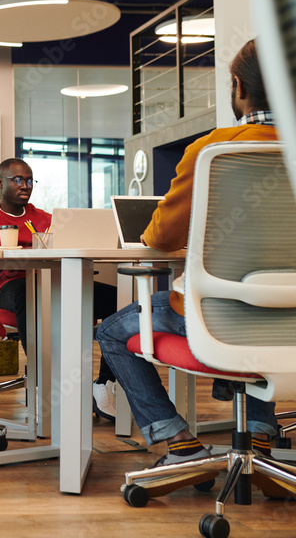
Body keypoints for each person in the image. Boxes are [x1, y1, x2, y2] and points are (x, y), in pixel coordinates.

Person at [95, 39, 278, 468]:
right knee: (268, 321)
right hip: (289, 319)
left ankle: (174, 438)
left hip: (217, 314)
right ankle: (264, 437)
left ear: (238, 86)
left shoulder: (211, 151)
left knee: (111, 331)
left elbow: (159, 238)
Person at [0, 158, 119, 419]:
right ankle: (44, 383)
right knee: (30, 293)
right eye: (18, 180)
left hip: (54, 282)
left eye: (29, 180)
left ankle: (104, 383)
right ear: (0, 183)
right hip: (8, 285)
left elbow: (68, 246)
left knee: (119, 300)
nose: (25, 186)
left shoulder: (46, 218)